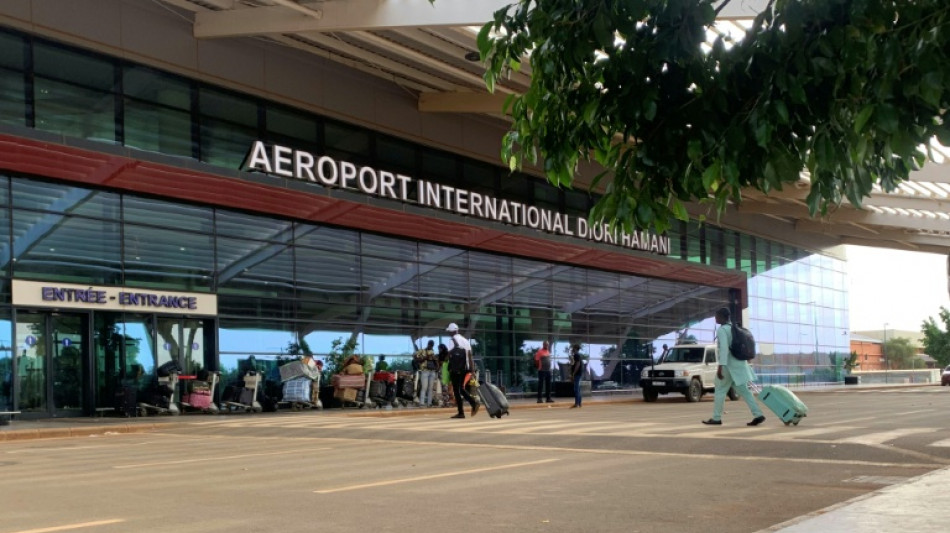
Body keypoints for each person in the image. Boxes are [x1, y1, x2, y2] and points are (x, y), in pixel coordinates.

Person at [703, 307, 766, 426]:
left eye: (716, 316)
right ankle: (758, 414)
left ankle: (716, 418)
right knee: (745, 392)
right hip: (740, 365)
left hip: (728, 366)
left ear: (722, 317)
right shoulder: (734, 328)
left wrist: (720, 367)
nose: (715, 318)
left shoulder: (722, 330)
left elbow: (724, 349)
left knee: (720, 390)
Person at [446, 323, 479, 419]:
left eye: (449, 332)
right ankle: (472, 404)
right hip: (464, 368)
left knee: (457, 390)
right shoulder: (465, 341)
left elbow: (448, 355)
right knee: (461, 388)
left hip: (455, 369)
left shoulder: (452, 341)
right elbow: (470, 356)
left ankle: (462, 412)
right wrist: (472, 371)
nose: (449, 333)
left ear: (452, 331)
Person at [414, 340, 438, 407]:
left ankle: (429, 403)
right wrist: (425, 358)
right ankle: (422, 403)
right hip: (425, 370)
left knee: (430, 388)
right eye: (430, 344)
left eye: (432, 345)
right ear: (428, 344)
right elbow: (415, 357)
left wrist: (434, 359)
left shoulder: (432, 351)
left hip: (432, 371)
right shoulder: (422, 351)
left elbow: (435, 361)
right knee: (424, 387)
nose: (431, 346)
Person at [569, 344, 585, 409]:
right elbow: (574, 363)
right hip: (578, 373)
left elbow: (578, 364)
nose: (572, 349)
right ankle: (579, 403)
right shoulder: (576, 355)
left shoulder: (576, 355)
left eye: (573, 348)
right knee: (578, 388)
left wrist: (573, 373)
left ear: (575, 348)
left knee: (576, 389)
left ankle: (577, 404)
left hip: (577, 374)